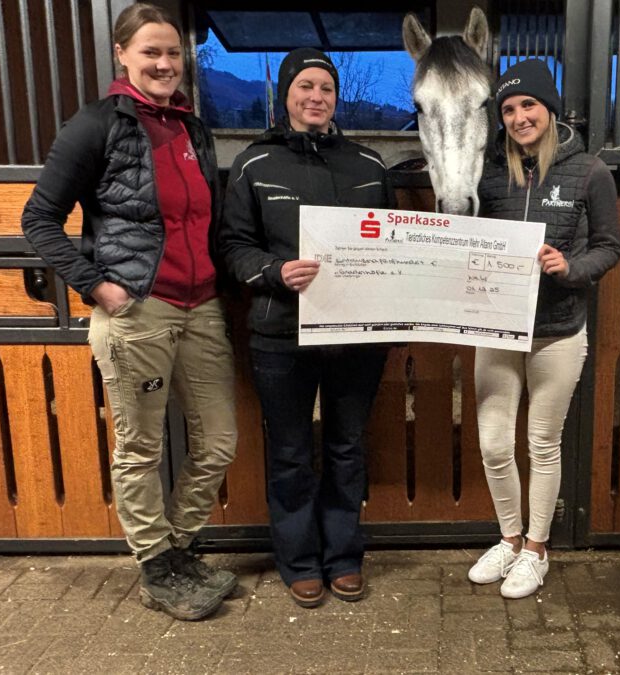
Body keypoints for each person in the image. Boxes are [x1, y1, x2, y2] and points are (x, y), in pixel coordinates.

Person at [21, 3, 238, 620]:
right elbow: (39, 218)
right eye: (151, 52)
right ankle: (156, 566)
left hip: (202, 307)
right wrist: (96, 285)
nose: (164, 63)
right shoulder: (95, 125)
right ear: (123, 54)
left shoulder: (192, 128)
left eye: (172, 53)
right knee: (139, 448)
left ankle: (177, 547)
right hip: (138, 310)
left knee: (219, 443)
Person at [218, 49, 394, 608]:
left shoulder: (369, 165)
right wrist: (272, 271)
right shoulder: (253, 164)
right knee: (291, 452)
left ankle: (343, 557)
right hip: (280, 335)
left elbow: (394, 246)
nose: (316, 96)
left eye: (326, 88)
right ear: (287, 94)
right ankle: (298, 562)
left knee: (347, 447)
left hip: (356, 335)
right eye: (305, 86)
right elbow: (232, 245)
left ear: (336, 99)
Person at [469, 59, 620, 599]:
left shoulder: (589, 171)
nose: (518, 117)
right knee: (492, 443)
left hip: (558, 328)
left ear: (549, 109)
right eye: (508, 110)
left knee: (542, 441)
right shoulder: (488, 175)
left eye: (528, 105)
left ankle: (537, 549)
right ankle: (509, 538)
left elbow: (610, 245)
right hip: (497, 328)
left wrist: (571, 269)